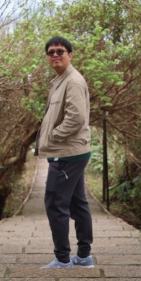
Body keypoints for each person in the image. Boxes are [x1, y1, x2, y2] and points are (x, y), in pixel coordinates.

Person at [37, 36, 94, 268]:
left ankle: (62, 258)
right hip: (69, 151)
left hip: (67, 153)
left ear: (70, 54)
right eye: (50, 52)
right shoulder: (60, 81)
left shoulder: (73, 81)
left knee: (54, 202)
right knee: (77, 204)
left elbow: (76, 118)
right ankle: (83, 257)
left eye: (60, 51)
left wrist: (53, 136)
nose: (55, 55)